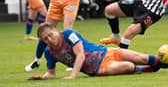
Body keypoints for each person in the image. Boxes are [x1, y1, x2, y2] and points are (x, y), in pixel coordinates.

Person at [27, 23, 168, 80]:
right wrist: (43, 77)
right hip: (98, 68)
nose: (49, 40)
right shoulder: (49, 52)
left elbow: (80, 54)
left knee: (141, 57)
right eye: (45, 39)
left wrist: (73, 75)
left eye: (50, 35)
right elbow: (51, 73)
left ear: (55, 31)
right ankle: (146, 70)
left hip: (106, 52)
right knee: (129, 66)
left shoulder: (68, 34)